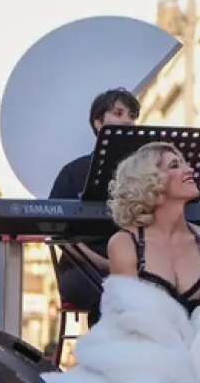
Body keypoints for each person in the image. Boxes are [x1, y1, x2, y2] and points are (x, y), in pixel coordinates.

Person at [45, 143, 200, 383]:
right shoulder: (124, 244)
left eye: (185, 163)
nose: (190, 170)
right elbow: (132, 330)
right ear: (151, 182)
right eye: (176, 165)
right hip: (140, 363)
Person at [48, 88, 140, 324]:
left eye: (131, 115)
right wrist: (102, 263)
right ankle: (108, 358)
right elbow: (57, 231)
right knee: (113, 292)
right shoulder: (73, 172)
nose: (127, 121)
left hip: (137, 265)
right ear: (98, 123)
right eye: (118, 113)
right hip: (83, 267)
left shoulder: (146, 174)